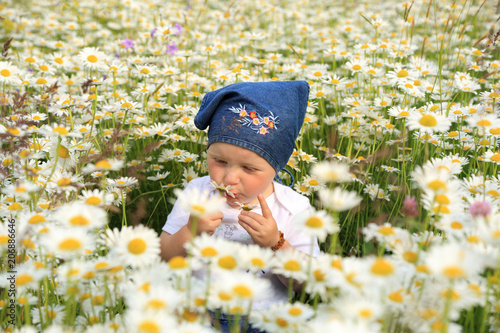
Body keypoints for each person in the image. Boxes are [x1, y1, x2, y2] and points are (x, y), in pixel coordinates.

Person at [159, 81, 320, 332]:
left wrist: (276, 244)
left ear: (276, 167)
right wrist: (190, 231)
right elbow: (164, 256)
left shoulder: (292, 207)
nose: (230, 178)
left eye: (249, 168)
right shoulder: (198, 193)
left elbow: (304, 283)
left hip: (263, 318)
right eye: (220, 161)